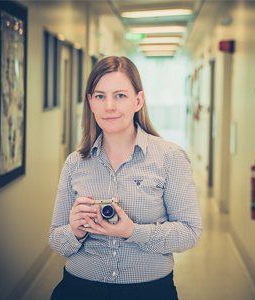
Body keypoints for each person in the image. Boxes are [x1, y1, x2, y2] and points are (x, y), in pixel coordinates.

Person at [49, 56, 202, 300]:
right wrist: (75, 230)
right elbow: (56, 239)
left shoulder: (170, 158)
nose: (109, 106)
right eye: (100, 96)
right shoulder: (74, 163)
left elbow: (190, 232)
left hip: (148, 292)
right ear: (90, 102)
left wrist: (132, 231)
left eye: (120, 95)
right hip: (79, 290)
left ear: (138, 100)